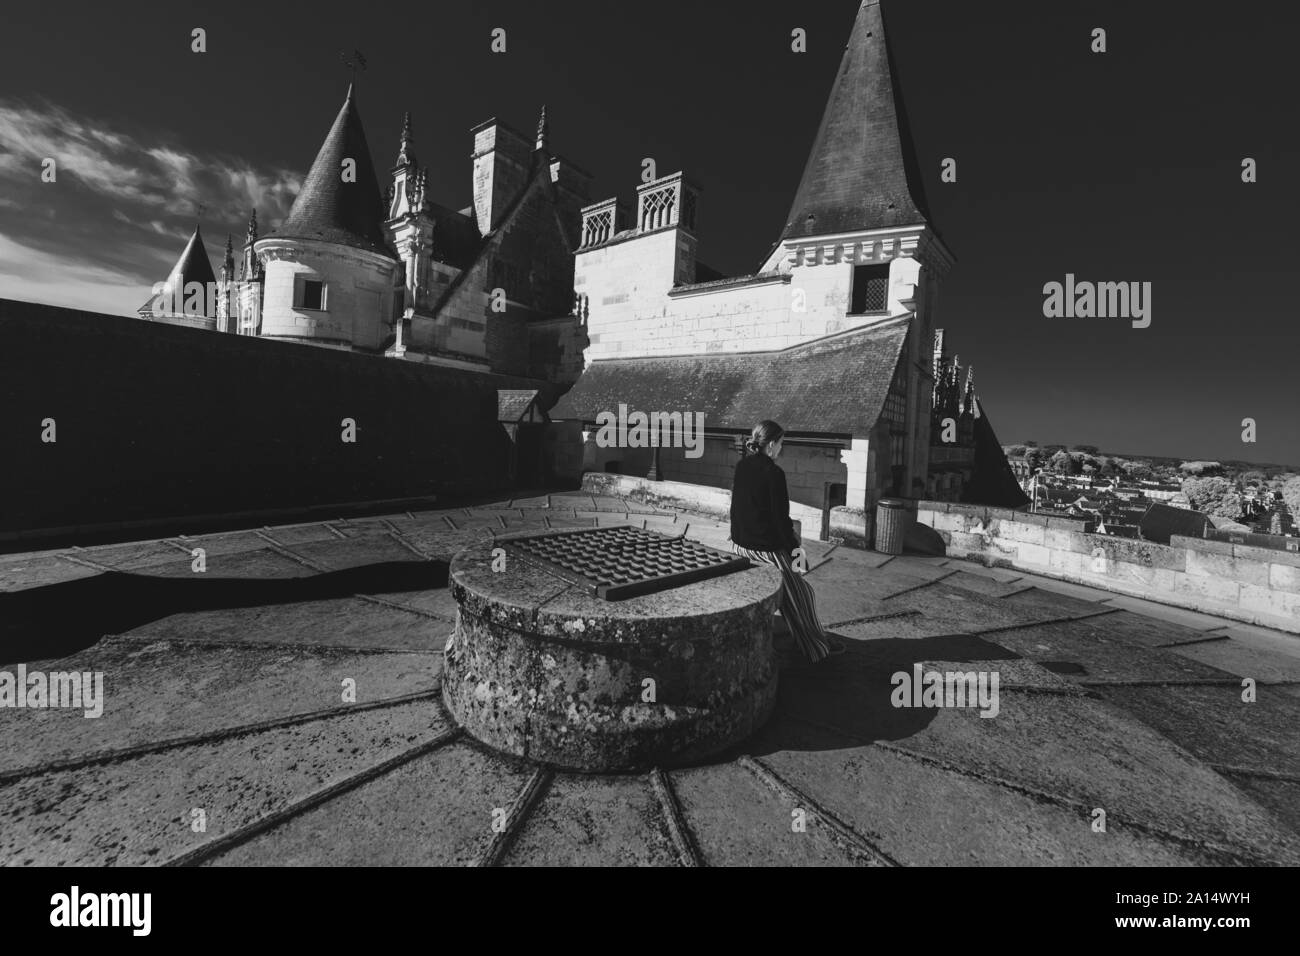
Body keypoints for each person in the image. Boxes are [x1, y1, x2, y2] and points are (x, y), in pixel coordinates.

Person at [729, 420, 844, 662]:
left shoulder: (742, 466)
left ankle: (809, 640)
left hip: (740, 545)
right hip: (764, 550)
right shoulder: (774, 473)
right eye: (781, 444)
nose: (781, 448)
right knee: (803, 594)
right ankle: (815, 647)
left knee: (794, 585)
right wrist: (797, 553)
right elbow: (781, 523)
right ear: (771, 445)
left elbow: (736, 508)